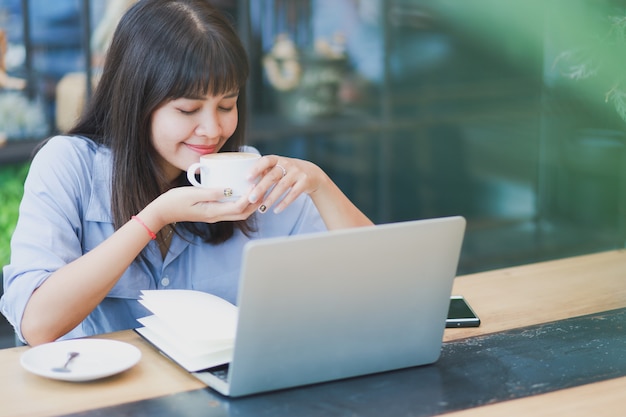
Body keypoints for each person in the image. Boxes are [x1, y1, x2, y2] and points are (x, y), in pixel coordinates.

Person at [0, 0, 373, 346]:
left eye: (227, 105)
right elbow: (37, 325)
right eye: (188, 110)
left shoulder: (252, 174)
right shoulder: (69, 166)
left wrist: (322, 186)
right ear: (137, 102)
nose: (212, 129)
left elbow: (378, 284)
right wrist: (154, 217)